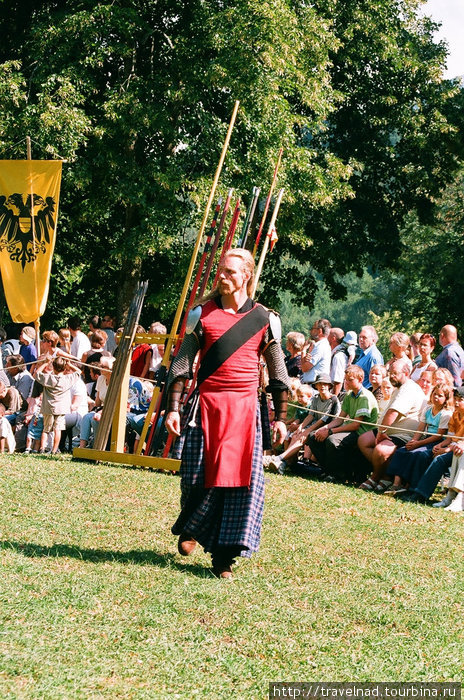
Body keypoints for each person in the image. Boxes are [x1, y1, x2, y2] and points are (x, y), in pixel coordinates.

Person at [165, 248, 289, 579]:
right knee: (194, 478)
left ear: (246, 276)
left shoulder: (265, 319)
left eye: (230, 272)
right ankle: (192, 525)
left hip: (245, 411)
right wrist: (172, 408)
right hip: (205, 406)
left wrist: (280, 417)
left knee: (239, 487)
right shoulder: (200, 314)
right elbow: (181, 365)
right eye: (220, 271)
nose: (222, 276)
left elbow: (278, 373)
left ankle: (223, 559)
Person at [358, 359, 425, 492]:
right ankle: (386, 475)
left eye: (395, 373)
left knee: (381, 450)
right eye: (390, 373)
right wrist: (381, 431)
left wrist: (381, 432)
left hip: (404, 434)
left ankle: (375, 477)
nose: (391, 376)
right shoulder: (400, 387)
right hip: (390, 431)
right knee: (363, 440)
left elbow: (393, 413)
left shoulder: (409, 389)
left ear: (406, 373)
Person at [307, 365, 378, 483]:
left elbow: (356, 425)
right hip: (350, 429)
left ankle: (338, 475)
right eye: (346, 379)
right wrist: (324, 428)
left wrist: (330, 431)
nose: (347, 383)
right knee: (313, 436)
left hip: (362, 432)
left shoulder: (364, 397)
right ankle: (328, 470)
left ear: (360, 380)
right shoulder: (349, 395)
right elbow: (340, 418)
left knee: (333, 440)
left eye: (350, 380)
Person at [383, 382, 453, 496]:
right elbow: (421, 428)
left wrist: (419, 444)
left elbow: (439, 435)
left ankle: (411, 485)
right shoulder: (428, 409)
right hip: (425, 438)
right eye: (434, 394)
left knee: (419, 455)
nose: (436, 397)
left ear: (446, 398)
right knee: (403, 451)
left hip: (437, 441)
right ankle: (396, 484)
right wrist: (413, 441)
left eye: (440, 396)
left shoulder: (445, 414)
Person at [35, 356, 82, 455]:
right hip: (61, 409)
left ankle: (42, 448)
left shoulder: (48, 378)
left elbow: (37, 373)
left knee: (46, 429)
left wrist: (45, 363)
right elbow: (79, 372)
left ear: (53, 367)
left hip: (48, 408)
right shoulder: (67, 379)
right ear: (64, 368)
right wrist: (70, 365)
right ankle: (54, 450)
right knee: (58, 429)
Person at [300, 319, 331, 384]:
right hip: (315, 384)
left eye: (313, 328)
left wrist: (303, 351)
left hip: (315, 385)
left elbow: (305, 368)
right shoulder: (320, 345)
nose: (310, 331)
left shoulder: (320, 347)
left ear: (319, 331)